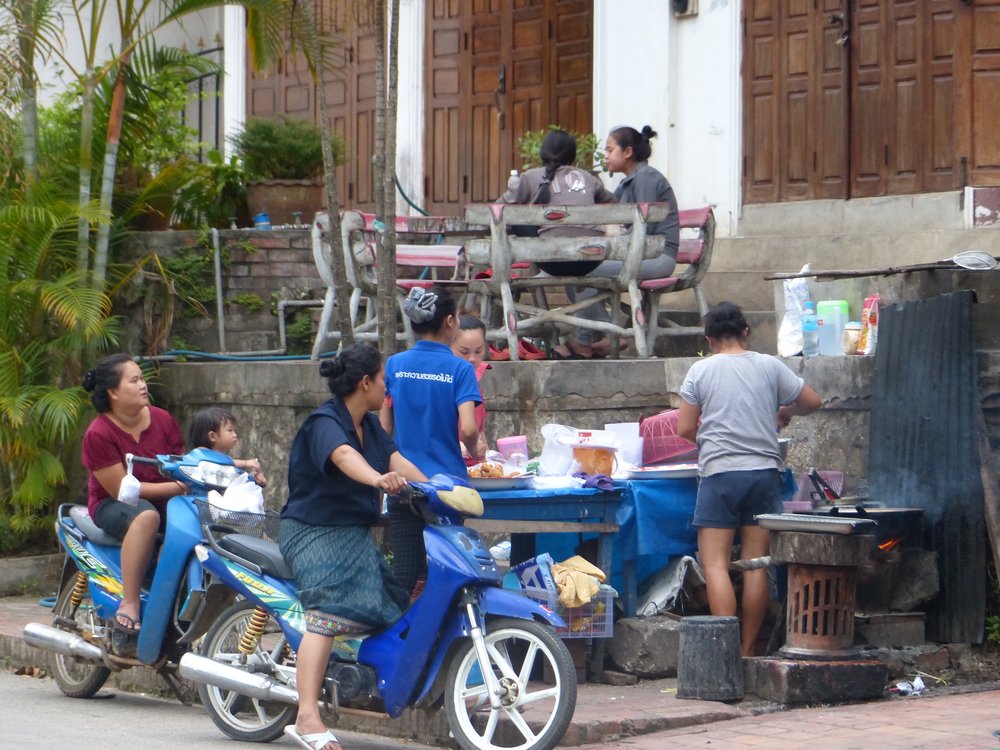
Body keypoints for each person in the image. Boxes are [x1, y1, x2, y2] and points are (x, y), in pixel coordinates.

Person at [279, 344, 425, 750]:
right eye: (383, 380)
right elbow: (344, 457)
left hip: (351, 534)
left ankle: (347, 679)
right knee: (328, 609)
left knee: (393, 603)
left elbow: (399, 462)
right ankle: (306, 714)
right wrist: (377, 480)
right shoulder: (325, 422)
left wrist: (440, 489)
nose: (386, 387)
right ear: (366, 383)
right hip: (311, 531)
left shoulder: (371, 424)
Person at [676, 302, 822, 657]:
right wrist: (784, 410)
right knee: (756, 565)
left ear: (709, 340)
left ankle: (725, 657)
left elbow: (683, 429)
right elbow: (813, 401)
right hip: (764, 474)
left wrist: (711, 440)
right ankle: (747, 652)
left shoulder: (700, 371)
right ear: (745, 332)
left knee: (715, 564)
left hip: (720, 476)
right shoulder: (769, 365)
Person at [380, 286, 483, 594]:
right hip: (447, 488)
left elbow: (384, 426)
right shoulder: (460, 369)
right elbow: (467, 429)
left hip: (404, 483)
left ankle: (398, 637)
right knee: (448, 569)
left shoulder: (395, 364)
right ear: (450, 322)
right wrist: (476, 450)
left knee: (405, 572)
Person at [81, 354, 187, 649]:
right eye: (135, 380)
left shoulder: (163, 419)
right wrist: (177, 488)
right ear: (113, 393)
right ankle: (129, 603)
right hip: (113, 505)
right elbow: (122, 492)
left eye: (143, 379)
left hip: (167, 497)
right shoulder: (98, 433)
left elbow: (182, 463)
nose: (143, 385)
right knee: (147, 517)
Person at [552, 124, 680, 359]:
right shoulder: (625, 184)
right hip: (634, 254)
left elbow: (646, 229)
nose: (606, 156)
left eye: (610, 150)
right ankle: (599, 336)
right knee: (572, 271)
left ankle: (597, 338)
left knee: (583, 270)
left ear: (628, 152)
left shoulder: (647, 179)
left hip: (657, 257)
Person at [499, 128, 615, 277]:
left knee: (518, 215)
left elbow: (498, 207)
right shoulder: (588, 177)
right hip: (591, 259)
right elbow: (613, 203)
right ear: (572, 155)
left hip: (552, 260)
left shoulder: (530, 176)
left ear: (543, 152)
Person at [187, 407, 268, 487]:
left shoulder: (224, 460)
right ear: (212, 436)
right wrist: (245, 463)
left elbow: (227, 463)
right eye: (230, 430)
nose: (235, 435)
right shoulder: (198, 457)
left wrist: (256, 479)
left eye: (234, 430)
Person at [452, 314, 491, 464]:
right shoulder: (443, 381)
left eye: (479, 351)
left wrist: (486, 463)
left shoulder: (475, 379)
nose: (472, 359)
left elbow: (480, 431)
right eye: (464, 352)